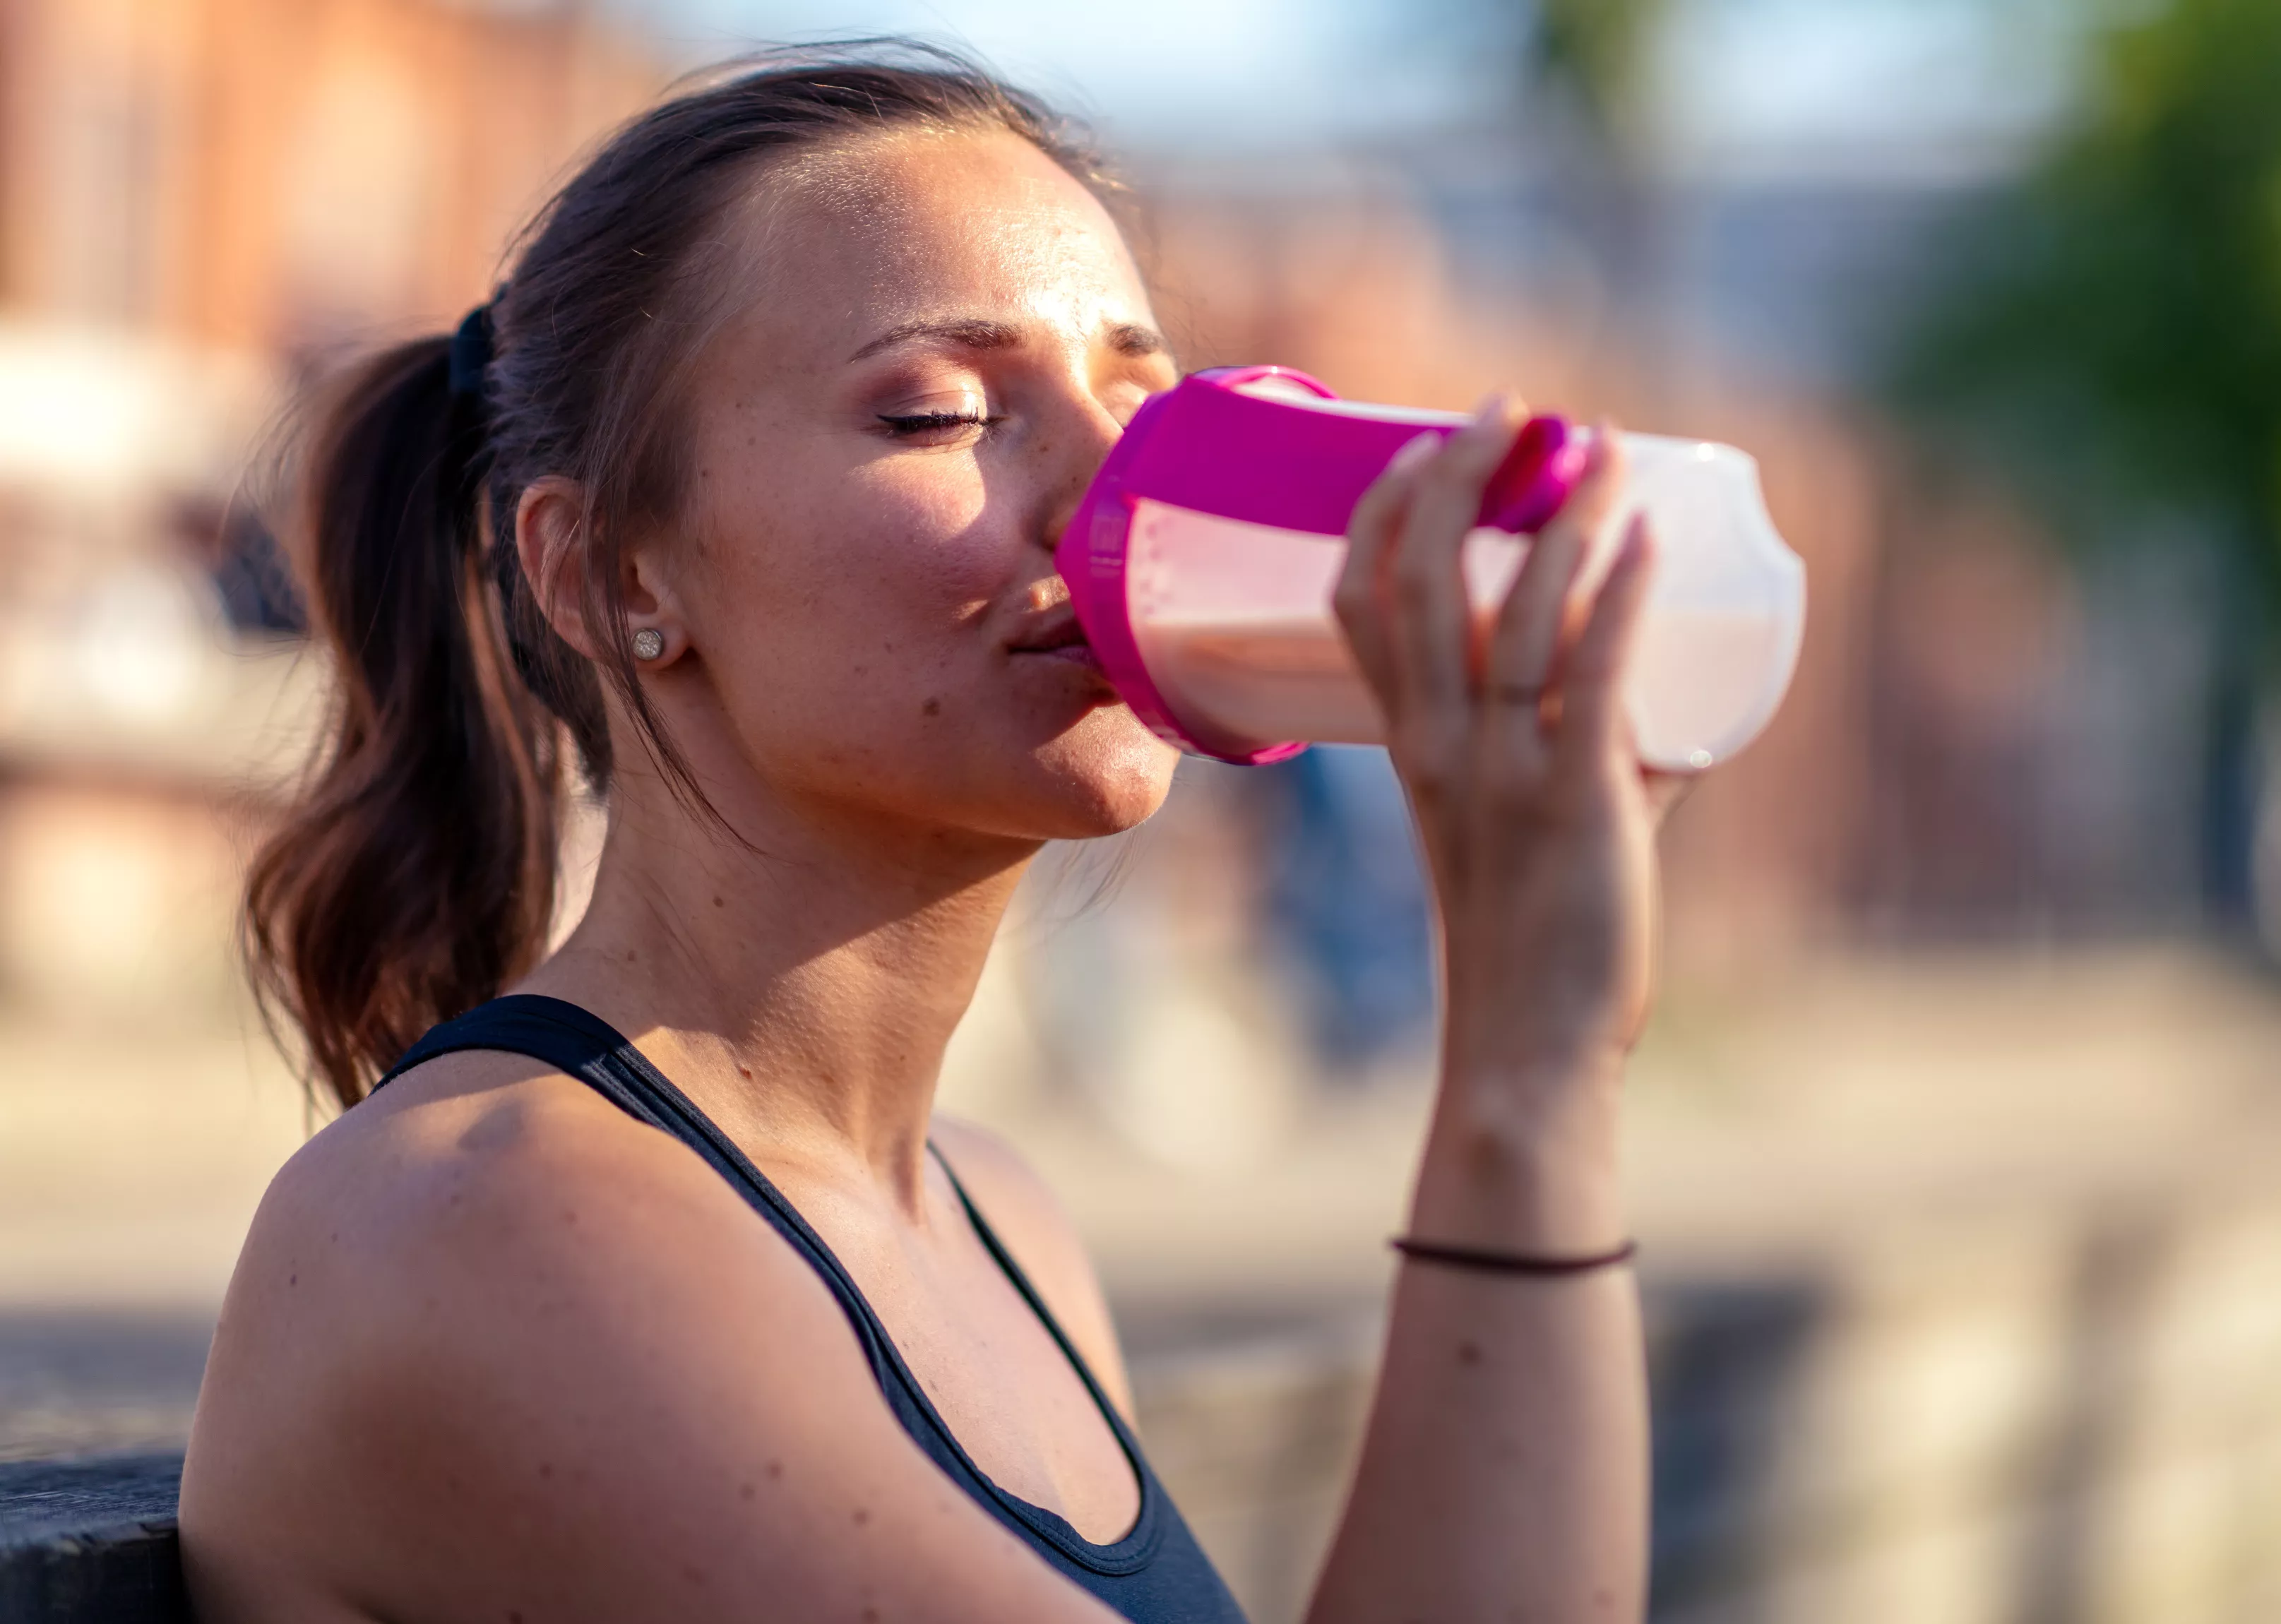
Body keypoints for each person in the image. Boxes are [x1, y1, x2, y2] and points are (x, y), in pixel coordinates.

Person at [178, 46, 1677, 1624]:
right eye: (941, 409)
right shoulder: (486, 1221)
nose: (1118, 489)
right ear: (614, 573)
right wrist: (1525, 1074)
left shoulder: (991, 1218)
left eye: (1145, 403)